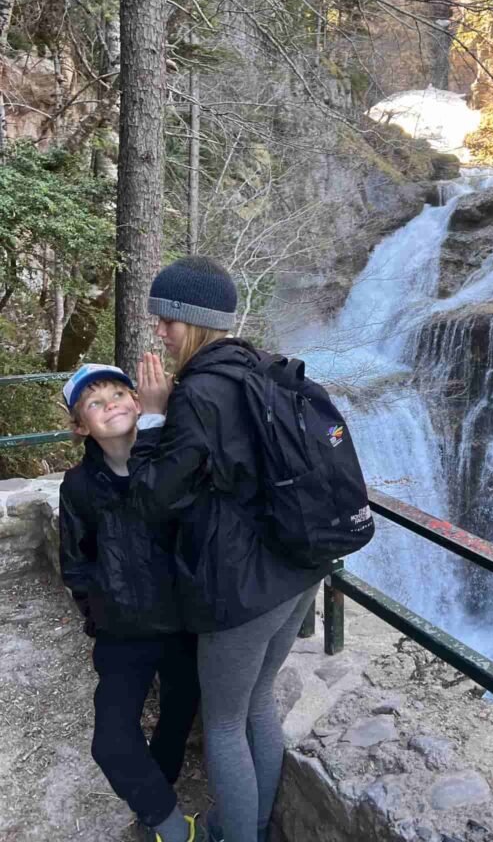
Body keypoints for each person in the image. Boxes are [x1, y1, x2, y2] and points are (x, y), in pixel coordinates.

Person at [126, 256, 327, 842]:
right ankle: (254, 827)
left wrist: (155, 419)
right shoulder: (261, 366)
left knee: (222, 725)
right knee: (258, 704)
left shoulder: (200, 393)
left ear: (194, 321)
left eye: (166, 320)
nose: (159, 331)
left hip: (242, 588)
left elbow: (155, 499)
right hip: (297, 570)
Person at [58, 363, 201, 842]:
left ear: (140, 402)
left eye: (119, 393)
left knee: (178, 716)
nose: (111, 404)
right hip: (122, 633)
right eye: (94, 403)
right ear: (81, 426)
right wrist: (97, 612)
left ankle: (154, 809)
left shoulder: (170, 464)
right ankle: (174, 828)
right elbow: (75, 561)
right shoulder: (78, 486)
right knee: (112, 742)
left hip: (182, 624)